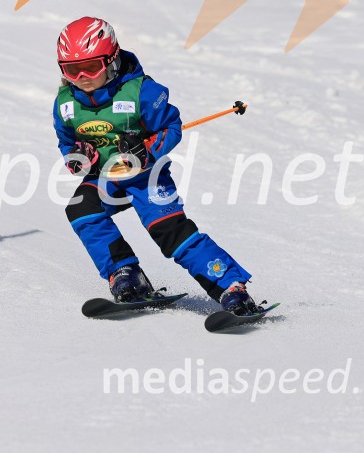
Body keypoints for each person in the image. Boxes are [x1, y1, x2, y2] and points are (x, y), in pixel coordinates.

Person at [52, 16, 261, 315]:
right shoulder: (66, 104)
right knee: (81, 209)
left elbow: (171, 127)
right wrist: (79, 156)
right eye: (72, 70)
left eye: (92, 67)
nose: (82, 77)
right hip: (107, 177)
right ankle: (126, 275)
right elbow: (66, 142)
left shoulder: (142, 92)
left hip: (146, 177)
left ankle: (232, 288)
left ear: (111, 60)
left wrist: (146, 148)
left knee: (169, 232)